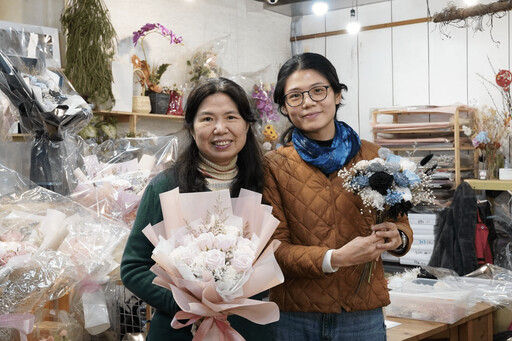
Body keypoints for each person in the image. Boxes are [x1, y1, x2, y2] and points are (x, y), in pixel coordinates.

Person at [262, 52, 413, 340]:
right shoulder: (274, 166)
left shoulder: (373, 156)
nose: (308, 102)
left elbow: (401, 222)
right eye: (294, 96)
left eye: (318, 90)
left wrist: (399, 237)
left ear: (338, 95)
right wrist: (335, 258)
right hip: (294, 316)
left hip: (361, 314)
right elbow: (273, 250)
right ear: (284, 107)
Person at [120, 77, 270, 340]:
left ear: (247, 124)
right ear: (191, 128)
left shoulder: (265, 186)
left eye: (231, 117)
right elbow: (133, 267)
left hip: (247, 330)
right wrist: (188, 305)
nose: (220, 128)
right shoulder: (166, 186)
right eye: (207, 119)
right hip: (179, 330)